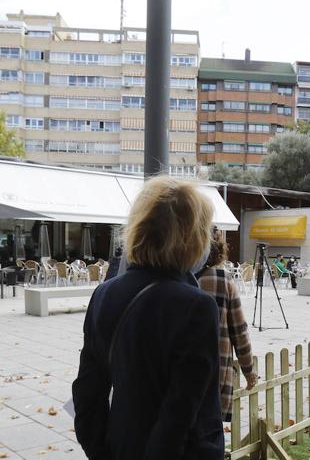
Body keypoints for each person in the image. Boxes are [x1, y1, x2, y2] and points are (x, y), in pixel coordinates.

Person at [73, 176, 224, 459]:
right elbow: (180, 414)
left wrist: (101, 452)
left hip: (120, 447)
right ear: (191, 237)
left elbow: (87, 393)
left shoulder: (104, 294)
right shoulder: (197, 306)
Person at [195, 231, 258, 422]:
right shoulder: (221, 279)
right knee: (210, 428)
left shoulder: (176, 277)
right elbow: (239, 330)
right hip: (215, 371)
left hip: (177, 375)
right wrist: (248, 370)